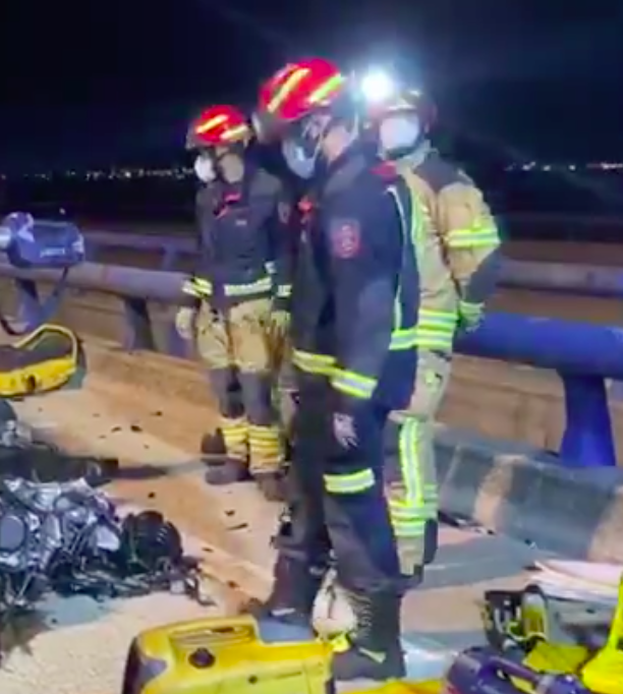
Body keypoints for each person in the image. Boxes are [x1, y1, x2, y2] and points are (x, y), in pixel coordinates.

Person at [247, 57, 422, 681]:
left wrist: (350, 399)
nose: (284, 148)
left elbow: (368, 305)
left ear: (318, 123)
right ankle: (291, 604)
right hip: (323, 381)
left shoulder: (357, 196)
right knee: (308, 492)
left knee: (353, 507)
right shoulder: (329, 189)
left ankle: (378, 645)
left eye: (290, 131)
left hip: (353, 386)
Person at [365, 85, 503, 584]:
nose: (392, 126)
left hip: (423, 331)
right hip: (380, 334)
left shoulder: (443, 181)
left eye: (403, 117)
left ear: (424, 123)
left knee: (403, 436)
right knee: (386, 441)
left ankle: (409, 552)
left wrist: (468, 310)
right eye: (385, 118)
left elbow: (479, 257)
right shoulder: (377, 180)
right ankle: (398, 542)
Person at [175, 104, 292, 502]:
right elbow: (204, 255)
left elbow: (285, 252)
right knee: (226, 389)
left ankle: (268, 467)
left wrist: (282, 305)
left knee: (258, 391)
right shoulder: (207, 198)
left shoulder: (270, 191)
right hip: (215, 311)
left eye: (204, 151)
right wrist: (189, 303)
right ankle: (236, 459)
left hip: (253, 310)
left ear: (224, 148)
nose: (200, 160)